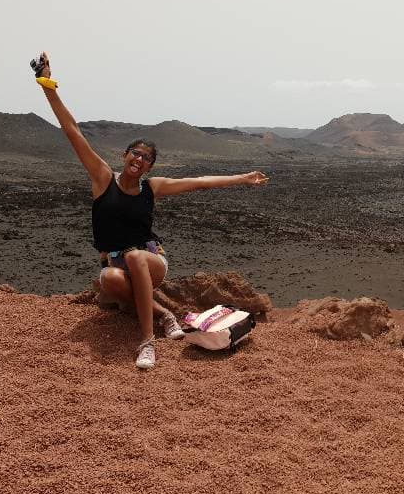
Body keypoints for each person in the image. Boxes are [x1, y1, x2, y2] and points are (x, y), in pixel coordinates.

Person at [33, 52, 269, 370]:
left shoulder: (152, 188)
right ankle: (164, 314)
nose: (139, 159)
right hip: (114, 259)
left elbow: (198, 183)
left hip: (150, 258)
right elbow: (73, 132)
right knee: (112, 280)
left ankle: (147, 342)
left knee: (134, 257)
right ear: (125, 155)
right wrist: (47, 85)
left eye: (146, 158)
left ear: (150, 166)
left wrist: (243, 178)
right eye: (136, 153)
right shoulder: (103, 179)